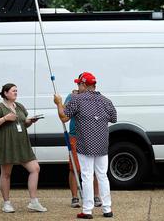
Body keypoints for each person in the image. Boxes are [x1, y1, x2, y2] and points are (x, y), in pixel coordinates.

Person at [54, 72, 117, 219]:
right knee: (102, 176)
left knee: (87, 176)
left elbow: (64, 117)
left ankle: (87, 211)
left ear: (83, 85)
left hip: (85, 143)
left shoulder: (77, 99)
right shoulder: (105, 100)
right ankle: (107, 209)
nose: (77, 87)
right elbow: (113, 118)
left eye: (79, 84)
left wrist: (58, 103)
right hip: (102, 143)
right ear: (94, 85)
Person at [0, 83, 46, 214]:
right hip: (7, 144)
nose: (16, 93)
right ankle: (6, 203)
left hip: (22, 143)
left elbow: (23, 123)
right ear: (5, 93)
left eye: (16, 91)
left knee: (35, 168)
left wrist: (30, 121)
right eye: (13, 91)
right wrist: (5, 118)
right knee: (6, 174)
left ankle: (33, 202)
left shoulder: (19, 106)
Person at [65, 87, 100, 209]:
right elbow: (64, 114)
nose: (80, 86)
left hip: (92, 135)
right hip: (75, 135)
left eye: (82, 84)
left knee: (94, 167)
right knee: (75, 168)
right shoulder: (71, 96)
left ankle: (96, 196)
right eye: (79, 84)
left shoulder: (96, 97)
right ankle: (75, 197)